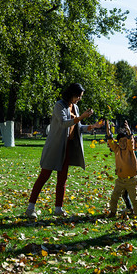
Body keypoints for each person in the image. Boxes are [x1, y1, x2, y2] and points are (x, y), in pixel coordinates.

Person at [25, 83, 103, 219]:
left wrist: (91, 126)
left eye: (81, 96)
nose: (79, 99)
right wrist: (81, 117)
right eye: (78, 96)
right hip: (55, 147)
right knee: (44, 176)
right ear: (71, 94)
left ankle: (58, 209)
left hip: (68, 148)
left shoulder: (76, 107)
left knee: (62, 179)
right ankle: (30, 207)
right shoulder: (59, 105)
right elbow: (64, 123)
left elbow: (77, 126)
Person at [106, 120, 137, 218]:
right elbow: (110, 140)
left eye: (124, 141)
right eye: (120, 141)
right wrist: (108, 130)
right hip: (120, 179)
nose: (122, 143)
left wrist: (129, 132)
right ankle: (113, 212)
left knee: (134, 198)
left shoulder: (130, 149)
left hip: (131, 179)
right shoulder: (117, 149)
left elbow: (131, 141)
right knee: (114, 197)